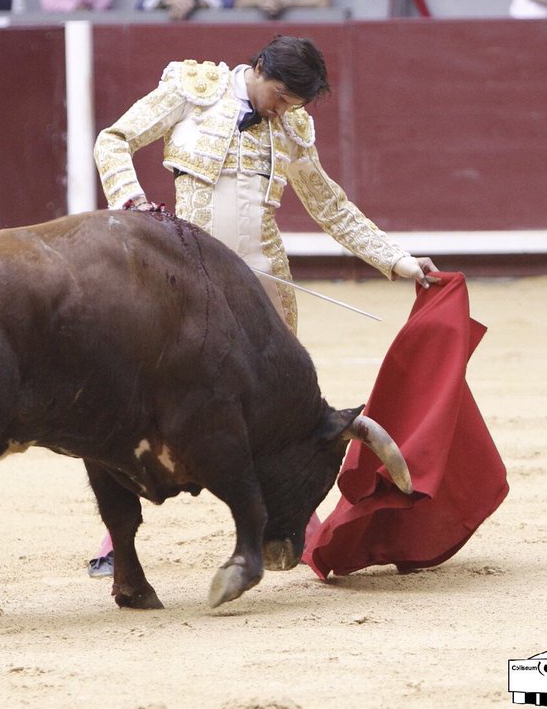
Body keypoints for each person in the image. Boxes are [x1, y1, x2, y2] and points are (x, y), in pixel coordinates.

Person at [88, 35, 439, 576]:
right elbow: (112, 142)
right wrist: (134, 206)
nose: (282, 110)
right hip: (186, 278)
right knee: (147, 404)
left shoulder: (294, 125)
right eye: (279, 96)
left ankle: (295, 518)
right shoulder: (192, 88)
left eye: (294, 104)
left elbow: (329, 205)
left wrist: (399, 261)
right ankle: (118, 535)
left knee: (281, 408)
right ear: (255, 69)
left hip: (266, 284)